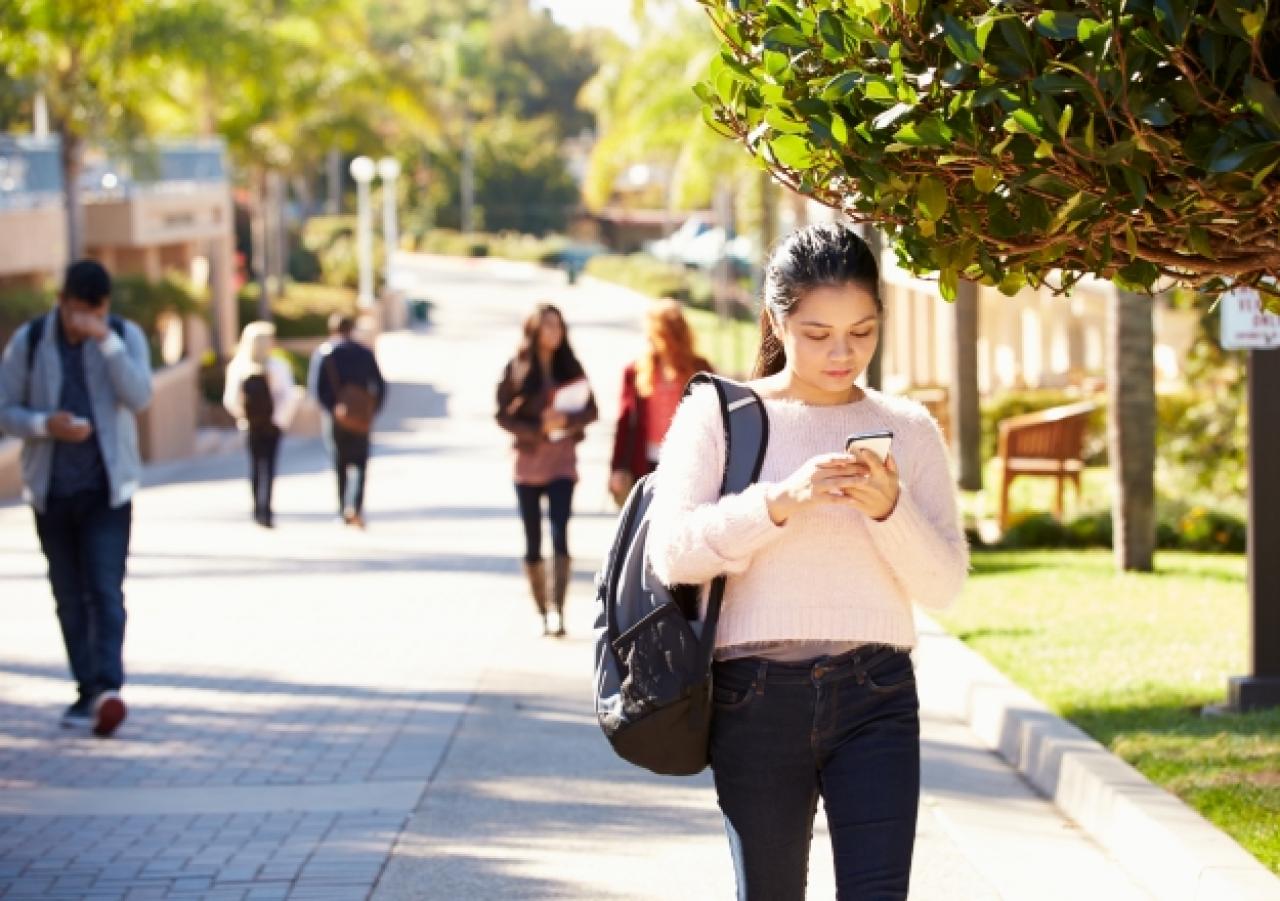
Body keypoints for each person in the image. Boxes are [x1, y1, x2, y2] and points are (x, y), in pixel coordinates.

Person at [646, 224, 968, 900]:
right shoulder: (721, 413)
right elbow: (671, 551)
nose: (842, 352)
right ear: (776, 321)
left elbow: (944, 585)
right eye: (818, 333)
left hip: (877, 692)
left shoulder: (908, 428)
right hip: (753, 695)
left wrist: (889, 510)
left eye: (863, 330)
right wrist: (781, 502)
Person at [0, 260, 153, 737]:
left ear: (103, 307)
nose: (81, 320)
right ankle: (86, 690)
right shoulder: (29, 342)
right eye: (75, 310)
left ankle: (108, 689)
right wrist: (46, 425)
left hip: (109, 490)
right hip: (51, 490)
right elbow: (5, 410)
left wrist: (106, 342)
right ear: (62, 301)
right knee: (68, 595)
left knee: (105, 591)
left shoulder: (123, 336)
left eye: (93, 311)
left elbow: (140, 395)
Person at [495, 303, 597, 637]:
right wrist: (537, 426)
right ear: (535, 330)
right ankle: (540, 609)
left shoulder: (571, 366)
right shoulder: (518, 367)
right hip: (527, 465)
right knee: (533, 539)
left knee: (560, 533)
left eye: (559, 325)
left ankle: (559, 611)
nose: (554, 332)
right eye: (548, 326)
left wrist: (566, 420)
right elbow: (501, 415)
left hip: (562, 464)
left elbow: (592, 409)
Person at [608, 298, 713, 506]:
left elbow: (715, 419)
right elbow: (625, 420)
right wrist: (617, 467)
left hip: (687, 462)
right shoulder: (636, 371)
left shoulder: (701, 369)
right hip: (644, 462)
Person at [308, 314, 386, 528]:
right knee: (360, 463)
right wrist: (372, 409)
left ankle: (343, 509)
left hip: (336, 418)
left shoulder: (325, 353)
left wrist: (332, 410)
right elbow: (379, 384)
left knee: (340, 463)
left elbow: (316, 389)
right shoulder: (364, 352)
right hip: (361, 416)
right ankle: (356, 507)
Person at [223, 321, 297, 528]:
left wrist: (243, 416)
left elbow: (231, 399)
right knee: (269, 467)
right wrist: (278, 420)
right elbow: (288, 397)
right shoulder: (277, 366)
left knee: (256, 467)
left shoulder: (238, 367)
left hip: (252, 425)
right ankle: (266, 510)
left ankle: (258, 509)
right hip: (271, 425)